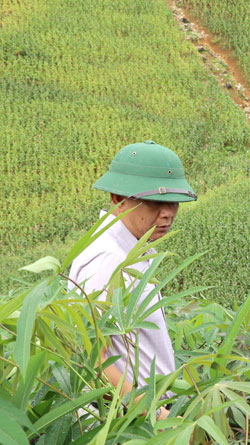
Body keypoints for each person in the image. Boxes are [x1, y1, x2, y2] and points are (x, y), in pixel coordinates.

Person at [69, 140, 197, 420]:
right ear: (118, 197)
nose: (168, 213)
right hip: (129, 421)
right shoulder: (108, 260)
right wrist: (154, 415)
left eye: (173, 202)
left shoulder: (132, 248)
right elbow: (93, 360)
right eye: (155, 201)